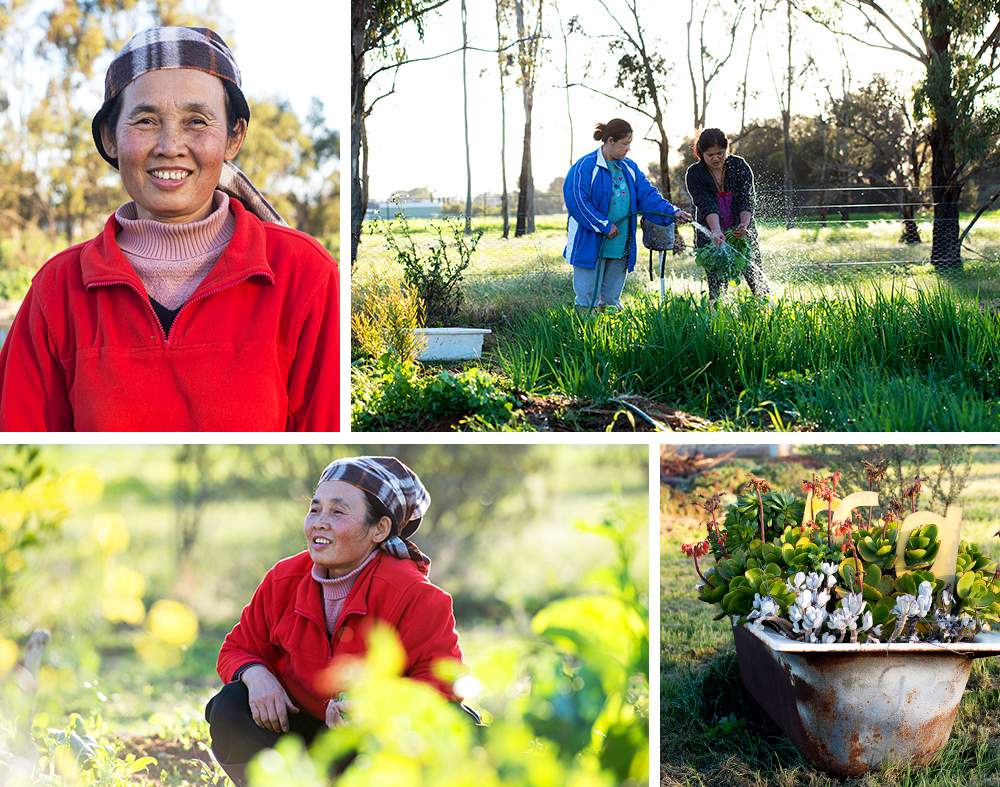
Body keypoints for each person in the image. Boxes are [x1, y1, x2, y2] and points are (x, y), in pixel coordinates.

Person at [0, 27, 339, 430]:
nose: (170, 145)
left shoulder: (304, 275)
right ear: (110, 137)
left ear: (234, 137)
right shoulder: (58, 289)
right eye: (145, 120)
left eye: (197, 121)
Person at [206, 457, 469, 785]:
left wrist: (374, 709)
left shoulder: (416, 596)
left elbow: (443, 684)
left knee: (459, 726)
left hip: (373, 746)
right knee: (230, 706)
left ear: (380, 529)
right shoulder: (283, 579)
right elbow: (238, 647)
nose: (319, 522)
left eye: (337, 512)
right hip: (303, 733)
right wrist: (255, 674)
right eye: (315, 509)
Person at [563, 119, 690, 311]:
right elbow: (578, 202)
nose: (628, 149)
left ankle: (610, 332)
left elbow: (647, 195)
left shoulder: (629, 168)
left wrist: (672, 212)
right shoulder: (585, 167)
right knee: (587, 298)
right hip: (589, 244)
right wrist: (604, 225)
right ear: (610, 141)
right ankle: (586, 335)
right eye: (625, 144)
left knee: (612, 299)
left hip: (619, 244)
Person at [685, 128, 769, 301]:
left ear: (727, 149)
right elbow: (706, 204)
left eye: (720, 153)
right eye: (710, 155)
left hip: (741, 226)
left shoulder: (739, 166)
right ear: (701, 154)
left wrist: (743, 226)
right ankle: (717, 313)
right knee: (716, 278)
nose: (716, 158)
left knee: (753, 270)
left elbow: (747, 198)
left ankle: (765, 305)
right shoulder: (694, 174)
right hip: (712, 230)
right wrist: (716, 231)